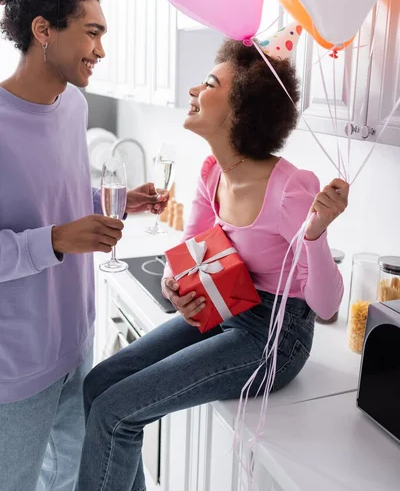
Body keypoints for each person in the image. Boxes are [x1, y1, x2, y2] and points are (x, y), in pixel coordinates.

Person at [75, 32, 349, 491]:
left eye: (208, 84)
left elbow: (326, 306)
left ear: (241, 110)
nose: (193, 91)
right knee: (99, 384)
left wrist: (316, 232)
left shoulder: (291, 189)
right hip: (228, 307)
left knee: (114, 411)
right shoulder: (212, 172)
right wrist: (173, 286)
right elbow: (190, 248)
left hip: (276, 338)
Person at [0, 0, 167, 491]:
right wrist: (53, 241)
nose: (100, 49)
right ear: (43, 30)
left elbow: (57, 200)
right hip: (17, 366)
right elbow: (48, 230)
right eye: (91, 32)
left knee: (73, 481)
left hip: (77, 343)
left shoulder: (73, 104)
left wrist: (117, 203)